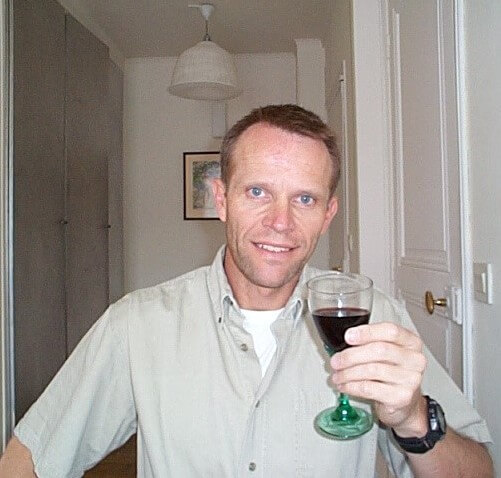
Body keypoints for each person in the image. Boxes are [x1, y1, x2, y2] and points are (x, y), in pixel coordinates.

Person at [0, 105, 493, 477]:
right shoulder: (138, 325)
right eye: (257, 192)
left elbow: (478, 470)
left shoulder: (374, 316)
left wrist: (413, 420)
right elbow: (30, 457)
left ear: (328, 214)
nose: (280, 222)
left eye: (304, 198)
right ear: (222, 200)